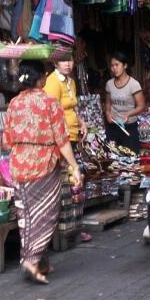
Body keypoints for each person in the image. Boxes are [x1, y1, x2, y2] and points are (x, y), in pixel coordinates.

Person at [3, 61, 83, 284]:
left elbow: (7, 140)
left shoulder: (14, 103)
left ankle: (40, 262)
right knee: (45, 216)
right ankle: (31, 259)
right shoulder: (50, 103)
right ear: (41, 79)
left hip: (19, 165)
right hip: (43, 165)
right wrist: (74, 166)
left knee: (26, 215)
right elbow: (62, 140)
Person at [42, 56, 92, 243]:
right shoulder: (52, 82)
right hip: (61, 140)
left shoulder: (71, 81)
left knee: (76, 183)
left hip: (72, 136)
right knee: (67, 184)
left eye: (70, 60)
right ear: (55, 63)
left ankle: (76, 226)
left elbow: (72, 108)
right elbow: (52, 112)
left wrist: (81, 122)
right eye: (63, 61)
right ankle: (67, 228)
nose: (68, 64)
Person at [104, 51, 144, 153]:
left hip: (129, 127)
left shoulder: (134, 84)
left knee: (131, 159)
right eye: (112, 65)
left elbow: (141, 106)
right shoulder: (109, 84)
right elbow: (108, 103)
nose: (114, 68)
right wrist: (108, 113)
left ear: (125, 65)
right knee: (112, 158)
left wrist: (128, 114)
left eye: (117, 65)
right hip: (113, 126)